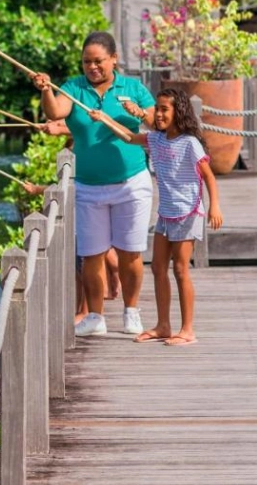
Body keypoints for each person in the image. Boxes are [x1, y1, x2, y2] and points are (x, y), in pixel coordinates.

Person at [27, 31, 155, 337]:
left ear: (114, 59)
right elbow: (55, 112)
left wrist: (139, 113)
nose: (92, 67)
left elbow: (156, 121)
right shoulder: (72, 87)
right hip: (89, 185)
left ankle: (131, 311)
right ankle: (96, 317)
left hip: (132, 182)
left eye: (98, 61)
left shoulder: (132, 88)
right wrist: (45, 89)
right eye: (87, 62)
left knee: (130, 252)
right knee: (91, 254)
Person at [90, 87, 223, 346]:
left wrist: (215, 206)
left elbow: (208, 176)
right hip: (166, 214)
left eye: (164, 109)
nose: (158, 114)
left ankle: (187, 330)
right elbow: (129, 138)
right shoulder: (157, 139)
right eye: (157, 109)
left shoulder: (189, 142)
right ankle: (163, 325)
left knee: (181, 269)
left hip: (188, 212)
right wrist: (104, 119)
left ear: (178, 112)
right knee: (159, 269)